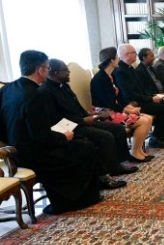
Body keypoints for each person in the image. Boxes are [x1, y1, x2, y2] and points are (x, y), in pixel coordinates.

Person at [0, 50, 103, 214]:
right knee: (85, 147)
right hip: (34, 154)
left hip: (15, 151)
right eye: (48, 68)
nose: (48, 72)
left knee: (80, 143)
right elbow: (41, 136)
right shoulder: (36, 95)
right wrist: (63, 136)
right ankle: (74, 199)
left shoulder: (9, 88)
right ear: (40, 70)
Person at [41, 59, 138, 177]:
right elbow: (55, 119)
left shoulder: (64, 86)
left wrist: (90, 115)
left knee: (117, 128)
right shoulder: (45, 92)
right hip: (72, 128)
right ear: (55, 73)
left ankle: (117, 164)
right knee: (105, 137)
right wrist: (82, 121)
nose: (69, 73)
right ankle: (104, 173)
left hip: (82, 121)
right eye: (66, 71)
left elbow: (77, 107)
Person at [90, 47, 155, 160]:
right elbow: (109, 103)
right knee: (143, 121)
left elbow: (119, 98)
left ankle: (139, 150)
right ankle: (134, 153)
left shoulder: (111, 75)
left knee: (148, 118)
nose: (118, 59)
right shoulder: (100, 79)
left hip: (115, 110)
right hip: (105, 113)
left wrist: (129, 107)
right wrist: (129, 110)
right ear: (111, 60)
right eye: (116, 57)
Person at [112, 43, 164, 149]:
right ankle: (155, 138)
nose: (136, 54)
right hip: (133, 103)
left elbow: (141, 89)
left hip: (141, 98)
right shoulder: (120, 71)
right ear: (125, 54)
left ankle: (162, 135)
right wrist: (151, 98)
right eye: (133, 52)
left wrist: (155, 96)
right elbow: (129, 94)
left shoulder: (130, 68)